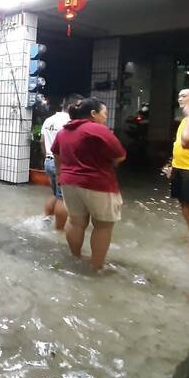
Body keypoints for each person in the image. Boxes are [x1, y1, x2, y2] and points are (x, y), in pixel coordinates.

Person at [51, 97, 127, 271]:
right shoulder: (97, 129)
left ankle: (76, 258)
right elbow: (120, 155)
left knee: (75, 221)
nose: (105, 118)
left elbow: (56, 154)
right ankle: (96, 267)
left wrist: (60, 174)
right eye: (104, 114)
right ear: (93, 113)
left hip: (69, 182)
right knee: (103, 225)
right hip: (98, 182)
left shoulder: (63, 132)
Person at [41, 94, 83, 230]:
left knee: (55, 194)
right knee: (62, 199)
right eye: (80, 106)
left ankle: (47, 218)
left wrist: (47, 157)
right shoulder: (69, 122)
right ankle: (58, 230)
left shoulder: (49, 120)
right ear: (72, 106)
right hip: (61, 164)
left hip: (48, 161)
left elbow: (42, 141)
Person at [162, 88, 189, 255]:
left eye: (184, 96)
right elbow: (178, 145)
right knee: (185, 204)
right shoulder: (185, 120)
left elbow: (187, 142)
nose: (180, 98)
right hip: (181, 168)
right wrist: (172, 165)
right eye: (179, 96)